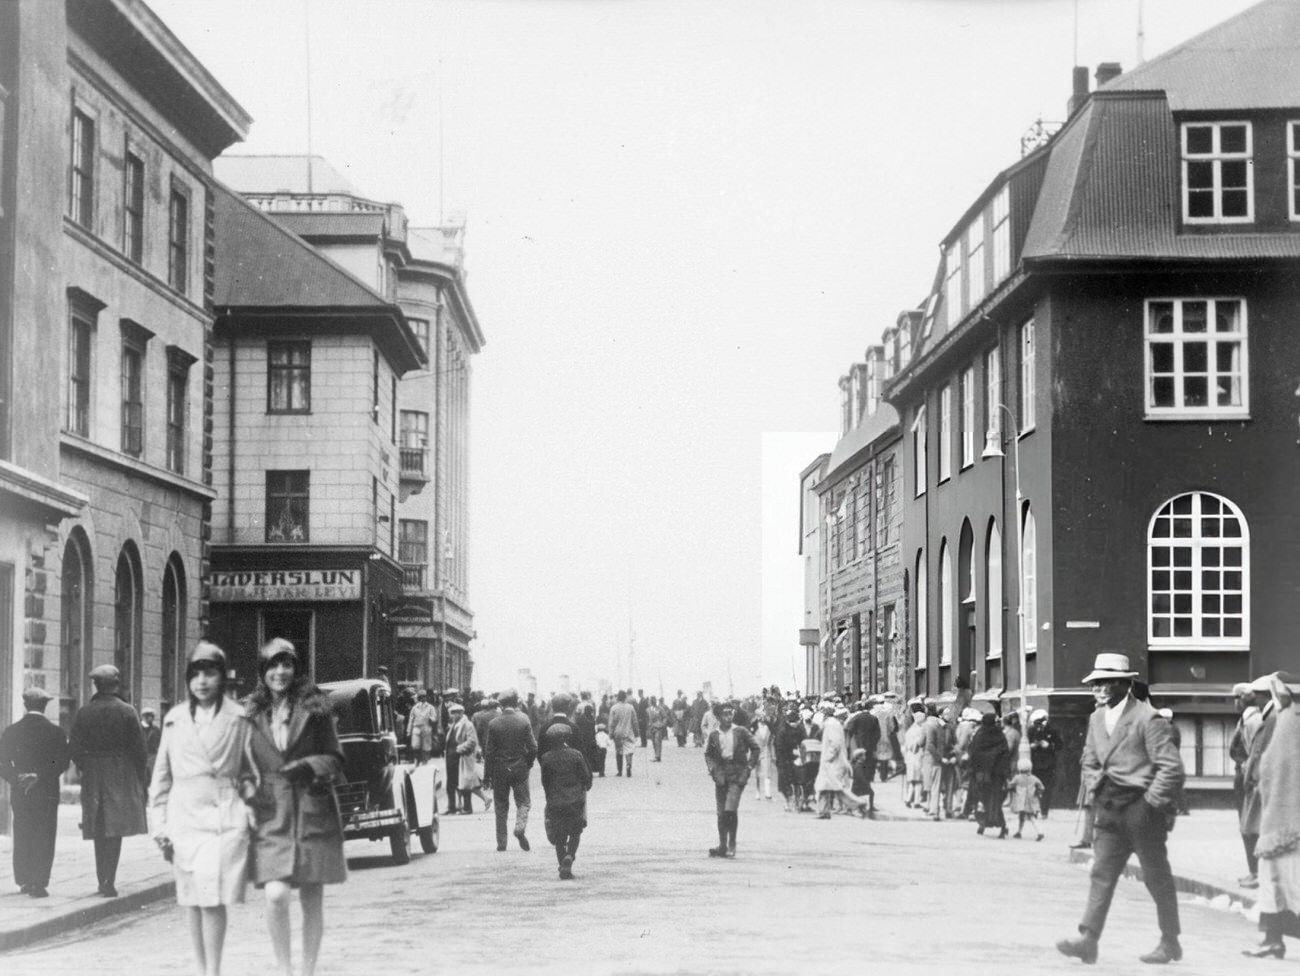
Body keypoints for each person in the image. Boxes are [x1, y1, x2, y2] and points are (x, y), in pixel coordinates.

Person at [1056, 653, 1185, 967]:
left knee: (1156, 877)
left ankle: (1170, 942)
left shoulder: (1148, 718)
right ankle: (1088, 940)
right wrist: (1097, 786)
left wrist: (1149, 804)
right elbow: (1088, 759)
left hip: (1141, 810)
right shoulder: (1096, 718)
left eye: (1103, 682)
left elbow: (1171, 769)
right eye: (1094, 682)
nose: (1096, 688)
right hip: (1110, 807)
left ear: (1124, 683)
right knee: (1101, 873)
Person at [244, 638, 347, 976]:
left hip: (311, 807)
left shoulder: (316, 708)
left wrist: (309, 766)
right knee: (275, 894)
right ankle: (285, 969)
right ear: (263, 672)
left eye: (286, 664)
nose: (280, 672)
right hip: (271, 811)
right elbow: (240, 766)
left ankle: (308, 970)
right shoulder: (250, 713)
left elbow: (336, 759)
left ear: (296, 668)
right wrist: (247, 792)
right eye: (273, 665)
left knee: (311, 896)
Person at [149, 642, 252, 976]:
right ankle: (200, 968)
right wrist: (159, 826)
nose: (203, 681)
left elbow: (254, 773)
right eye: (196, 674)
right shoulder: (175, 719)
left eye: (210, 673)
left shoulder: (238, 718)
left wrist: (247, 810)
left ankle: (214, 971)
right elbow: (161, 778)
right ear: (188, 680)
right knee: (191, 896)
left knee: (212, 895)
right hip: (184, 818)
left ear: (221, 677)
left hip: (223, 815)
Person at [69, 664, 148, 897]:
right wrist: (138, 777)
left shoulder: (84, 712)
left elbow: (74, 747)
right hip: (120, 773)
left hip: (93, 774)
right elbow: (140, 750)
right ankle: (108, 881)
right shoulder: (127, 711)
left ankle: (101, 879)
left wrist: (87, 766)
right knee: (116, 828)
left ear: (96, 685)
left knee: (98, 827)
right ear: (116, 685)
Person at [1242, 672, 1300, 959]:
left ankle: (1273, 939)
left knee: (1284, 881)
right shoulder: (1287, 719)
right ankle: (1272, 939)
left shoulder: (1288, 720)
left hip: (1287, 823)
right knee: (1275, 880)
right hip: (1278, 817)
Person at [0, 687, 69, 898]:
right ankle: (39, 882)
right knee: (45, 834)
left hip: (21, 792)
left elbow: (2, 762)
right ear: (45, 705)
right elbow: (63, 762)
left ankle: (24, 881)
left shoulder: (12, 730)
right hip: (47, 791)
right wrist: (39, 776)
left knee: (22, 833)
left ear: (25, 704)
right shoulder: (56, 732)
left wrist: (17, 778)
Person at [704, 703, 760, 857]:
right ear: (719, 717)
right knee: (721, 813)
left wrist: (748, 768)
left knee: (730, 809)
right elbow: (708, 754)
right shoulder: (714, 735)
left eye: (731, 714)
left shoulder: (740, 732)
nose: (729, 717)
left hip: (737, 774)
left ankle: (732, 844)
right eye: (725, 715)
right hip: (721, 775)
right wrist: (712, 768)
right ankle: (722, 845)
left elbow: (755, 748)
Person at [485, 689, 537, 852]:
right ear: (516, 703)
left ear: (501, 704)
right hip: (520, 768)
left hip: (500, 769)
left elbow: (489, 752)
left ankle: (502, 842)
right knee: (523, 802)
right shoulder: (523, 720)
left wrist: (487, 775)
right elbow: (533, 747)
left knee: (501, 806)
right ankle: (520, 827)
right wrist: (527, 763)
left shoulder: (494, 723)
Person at [539, 723, 592, 880]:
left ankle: (562, 861)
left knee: (560, 836)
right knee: (576, 832)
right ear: (567, 738)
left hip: (555, 802)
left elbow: (545, 782)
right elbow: (585, 777)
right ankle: (570, 856)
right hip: (575, 800)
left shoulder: (546, 758)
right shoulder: (576, 755)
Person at [1230, 682, 1265, 889]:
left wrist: (1249, 772)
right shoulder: (1245, 720)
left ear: (1245, 699)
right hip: (1243, 777)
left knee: (1250, 826)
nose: (1234, 703)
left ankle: (1256, 872)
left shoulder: (1253, 721)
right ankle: (1254, 870)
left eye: (1236, 698)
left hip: (1250, 779)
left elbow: (1257, 752)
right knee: (1246, 827)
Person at [815, 705, 870, 818]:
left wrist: (828, 757)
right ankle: (823, 811)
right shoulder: (833, 724)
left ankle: (859, 804)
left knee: (837, 789)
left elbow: (835, 743)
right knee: (824, 787)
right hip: (833, 762)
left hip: (833, 763)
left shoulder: (831, 726)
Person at [967, 711, 1010, 839]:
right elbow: (1005, 754)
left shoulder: (979, 735)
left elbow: (973, 752)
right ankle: (1002, 826)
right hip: (997, 775)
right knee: (995, 801)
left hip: (982, 775)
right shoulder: (999, 735)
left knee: (982, 799)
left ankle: (983, 823)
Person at [448, 702, 491, 814]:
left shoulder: (467, 724)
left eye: (454, 713)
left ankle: (467, 807)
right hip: (453, 758)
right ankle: (454, 806)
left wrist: (460, 748)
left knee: (466, 783)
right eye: (451, 713)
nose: (451, 716)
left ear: (460, 713)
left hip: (463, 758)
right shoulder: (454, 725)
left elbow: (472, 741)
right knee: (457, 783)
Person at [1028, 708, 1064, 817]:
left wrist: (1049, 745)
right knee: (1034, 786)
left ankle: (1044, 811)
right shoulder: (1031, 730)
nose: (1039, 726)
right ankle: (1034, 809)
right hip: (1035, 762)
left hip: (1048, 763)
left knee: (1046, 788)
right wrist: (1031, 746)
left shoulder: (1052, 730)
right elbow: (1027, 742)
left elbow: (1060, 745)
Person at [1008, 758, 1045, 841]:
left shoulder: (1017, 778)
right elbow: (1042, 787)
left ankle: (1039, 833)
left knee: (1023, 816)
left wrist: (1009, 785)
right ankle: (1020, 832)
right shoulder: (1034, 778)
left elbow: (1010, 786)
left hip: (1021, 802)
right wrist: (1038, 792)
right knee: (1031, 817)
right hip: (1031, 801)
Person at [608, 690, 640, 778]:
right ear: (625, 697)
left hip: (617, 733)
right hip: (628, 731)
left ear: (618, 697)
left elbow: (611, 723)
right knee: (629, 750)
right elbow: (634, 721)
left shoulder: (614, 708)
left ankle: (619, 770)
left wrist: (610, 734)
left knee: (619, 751)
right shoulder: (630, 707)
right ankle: (628, 764)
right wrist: (637, 733)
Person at [408, 691, 439, 765]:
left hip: (426, 727)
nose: (423, 698)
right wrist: (408, 731)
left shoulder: (430, 707)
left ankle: (425, 761)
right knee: (415, 745)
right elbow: (411, 719)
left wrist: (431, 719)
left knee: (426, 746)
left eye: (424, 696)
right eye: (421, 697)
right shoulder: (415, 707)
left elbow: (434, 717)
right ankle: (417, 760)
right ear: (419, 698)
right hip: (417, 728)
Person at [750, 713, 774, 800]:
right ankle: (757, 791)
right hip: (756, 750)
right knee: (757, 772)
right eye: (760, 716)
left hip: (766, 750)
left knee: (767, 770)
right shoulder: (754, 727)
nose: (762, 718)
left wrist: (773, 754)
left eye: (764, 716)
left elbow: (771, 740)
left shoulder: (769, 727)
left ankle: (767, 792)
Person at [141, 707, 162, 780]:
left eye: (153, 716)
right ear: (144, 717)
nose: (152, 718)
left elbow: (160, 742)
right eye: (150, 716)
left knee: (153, 776)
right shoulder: (138, 728)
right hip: (141, 755)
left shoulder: (156, 729)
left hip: (152, 755)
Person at [646, 697, 669, 762]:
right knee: (653, 742)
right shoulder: (648, 709)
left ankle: (658, 756)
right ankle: (656, 754)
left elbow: (665, 717)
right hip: (651, 727)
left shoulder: (660, 708)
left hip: (658, 727)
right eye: (652, 700)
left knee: (657, 741)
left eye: (654, 700)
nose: (653, 702)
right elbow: (647, 718)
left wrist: (663, 723)